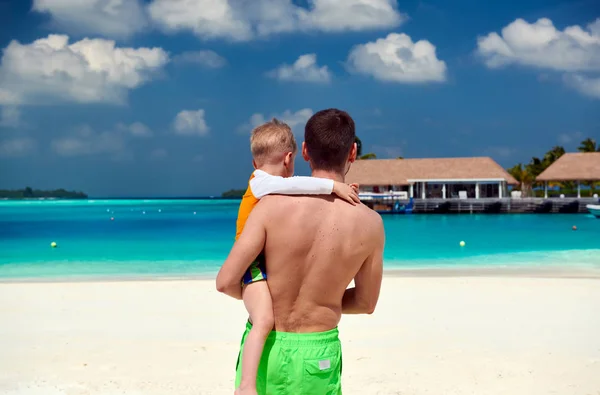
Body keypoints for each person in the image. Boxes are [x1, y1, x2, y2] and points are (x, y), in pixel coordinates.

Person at [216, 108, 385, 395]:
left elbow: (225, 282)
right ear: (353, 153)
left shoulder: (268, 207)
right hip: (318, 355)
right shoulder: (371, 224)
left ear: (304, 151)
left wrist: (271, 298)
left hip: (264, 348)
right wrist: (321, 300)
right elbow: (366, 303)